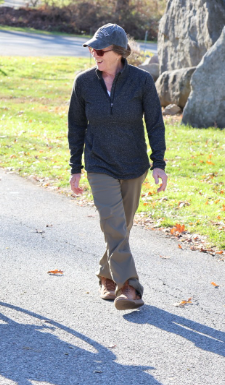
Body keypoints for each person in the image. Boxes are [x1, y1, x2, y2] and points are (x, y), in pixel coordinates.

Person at [68, 24, 167, 310]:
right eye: (91, 49)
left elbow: (155, 124)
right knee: (113, 222)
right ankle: (130, 288)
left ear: (119, 52)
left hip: (134, 165)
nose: (94, 54)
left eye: (99, 50)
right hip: (99, 163)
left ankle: (106, 275)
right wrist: (76, 167)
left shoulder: (142, 81)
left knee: (121, 228)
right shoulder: (83, 83)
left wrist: (158, 163)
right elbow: (76, 126)